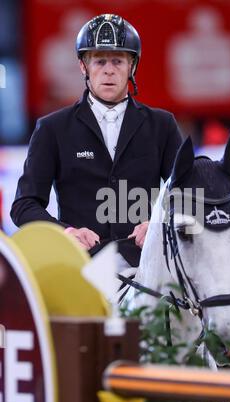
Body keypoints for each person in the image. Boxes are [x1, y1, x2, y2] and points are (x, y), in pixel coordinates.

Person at [10, 13, 183, 269]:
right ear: (83, 66)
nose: (109, 70)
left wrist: (159, 223)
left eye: (118, 61)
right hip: (80, 265)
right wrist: (65, 232)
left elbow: (187, 193)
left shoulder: (162, 125)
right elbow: (24, 205)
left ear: (132, 66)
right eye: (99, 61)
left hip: (147, 264)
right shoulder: (52, 128)